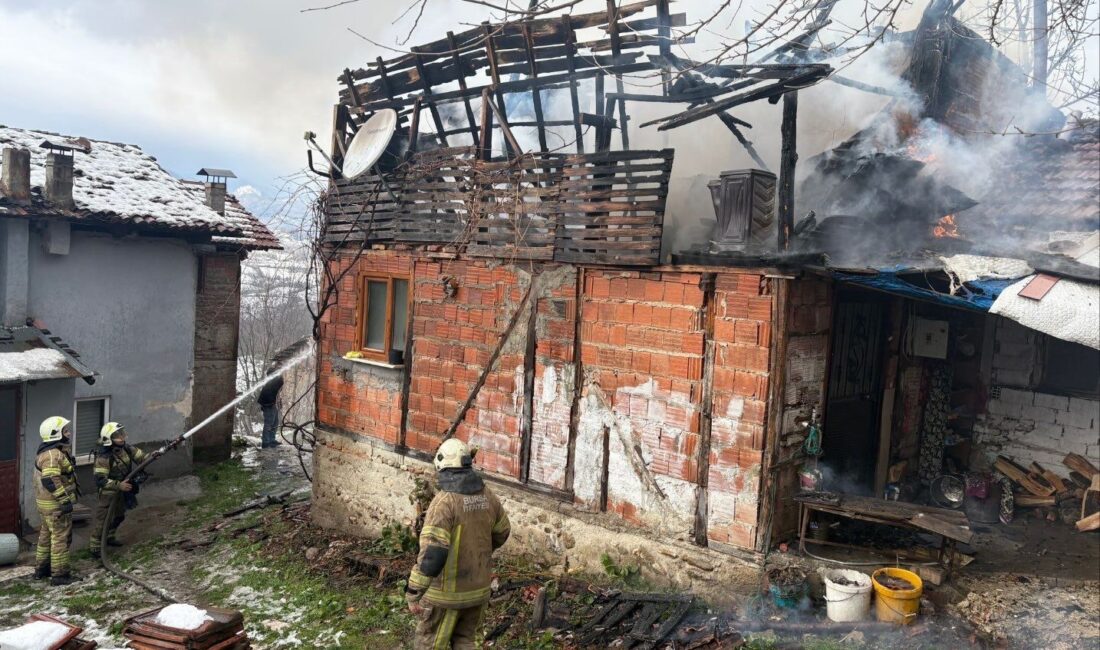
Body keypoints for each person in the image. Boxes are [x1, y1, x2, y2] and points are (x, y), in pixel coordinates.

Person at [406, 439, 510, 650]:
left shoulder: (444, 503)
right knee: (468, 643)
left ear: (441, 467)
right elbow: (502, 532)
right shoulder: (488, 496)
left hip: (444, 596)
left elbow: (432, 555)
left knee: (430, 644)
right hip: (478, 591)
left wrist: (414, 592)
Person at [33, 416, 80, 585]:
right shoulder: (53, 455)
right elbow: (50, 480)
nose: (68, 433)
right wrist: (64, 500)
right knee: (60, 538)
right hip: (56, 506)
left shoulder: (50, 452)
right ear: (56, 434)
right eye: (65, 431)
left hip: (46, 505)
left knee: (46, 536)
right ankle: (60, 575)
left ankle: (42, 569)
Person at [89, 422, 146, 558]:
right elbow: (100, 480)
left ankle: (109, 537)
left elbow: (142, 458)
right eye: (118, 436)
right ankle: (95, 547)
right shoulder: (104, 457)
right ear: (109, 439)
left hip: (123, 489)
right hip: (109, 493)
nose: (122, 437)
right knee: (103, 520)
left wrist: (155, 455)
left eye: (122, 434)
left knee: (119, 516)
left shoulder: (125, 448)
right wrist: (118, 485)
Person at [257, 366, 284, 449]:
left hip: (272, 404)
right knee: (269, 423)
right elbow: (280, 383)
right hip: (268, 404)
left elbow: (279, 387)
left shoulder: (274, 381)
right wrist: (270, 403)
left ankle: (272, 440)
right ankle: (265, 442)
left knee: (275, 422)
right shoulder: (271, 382)